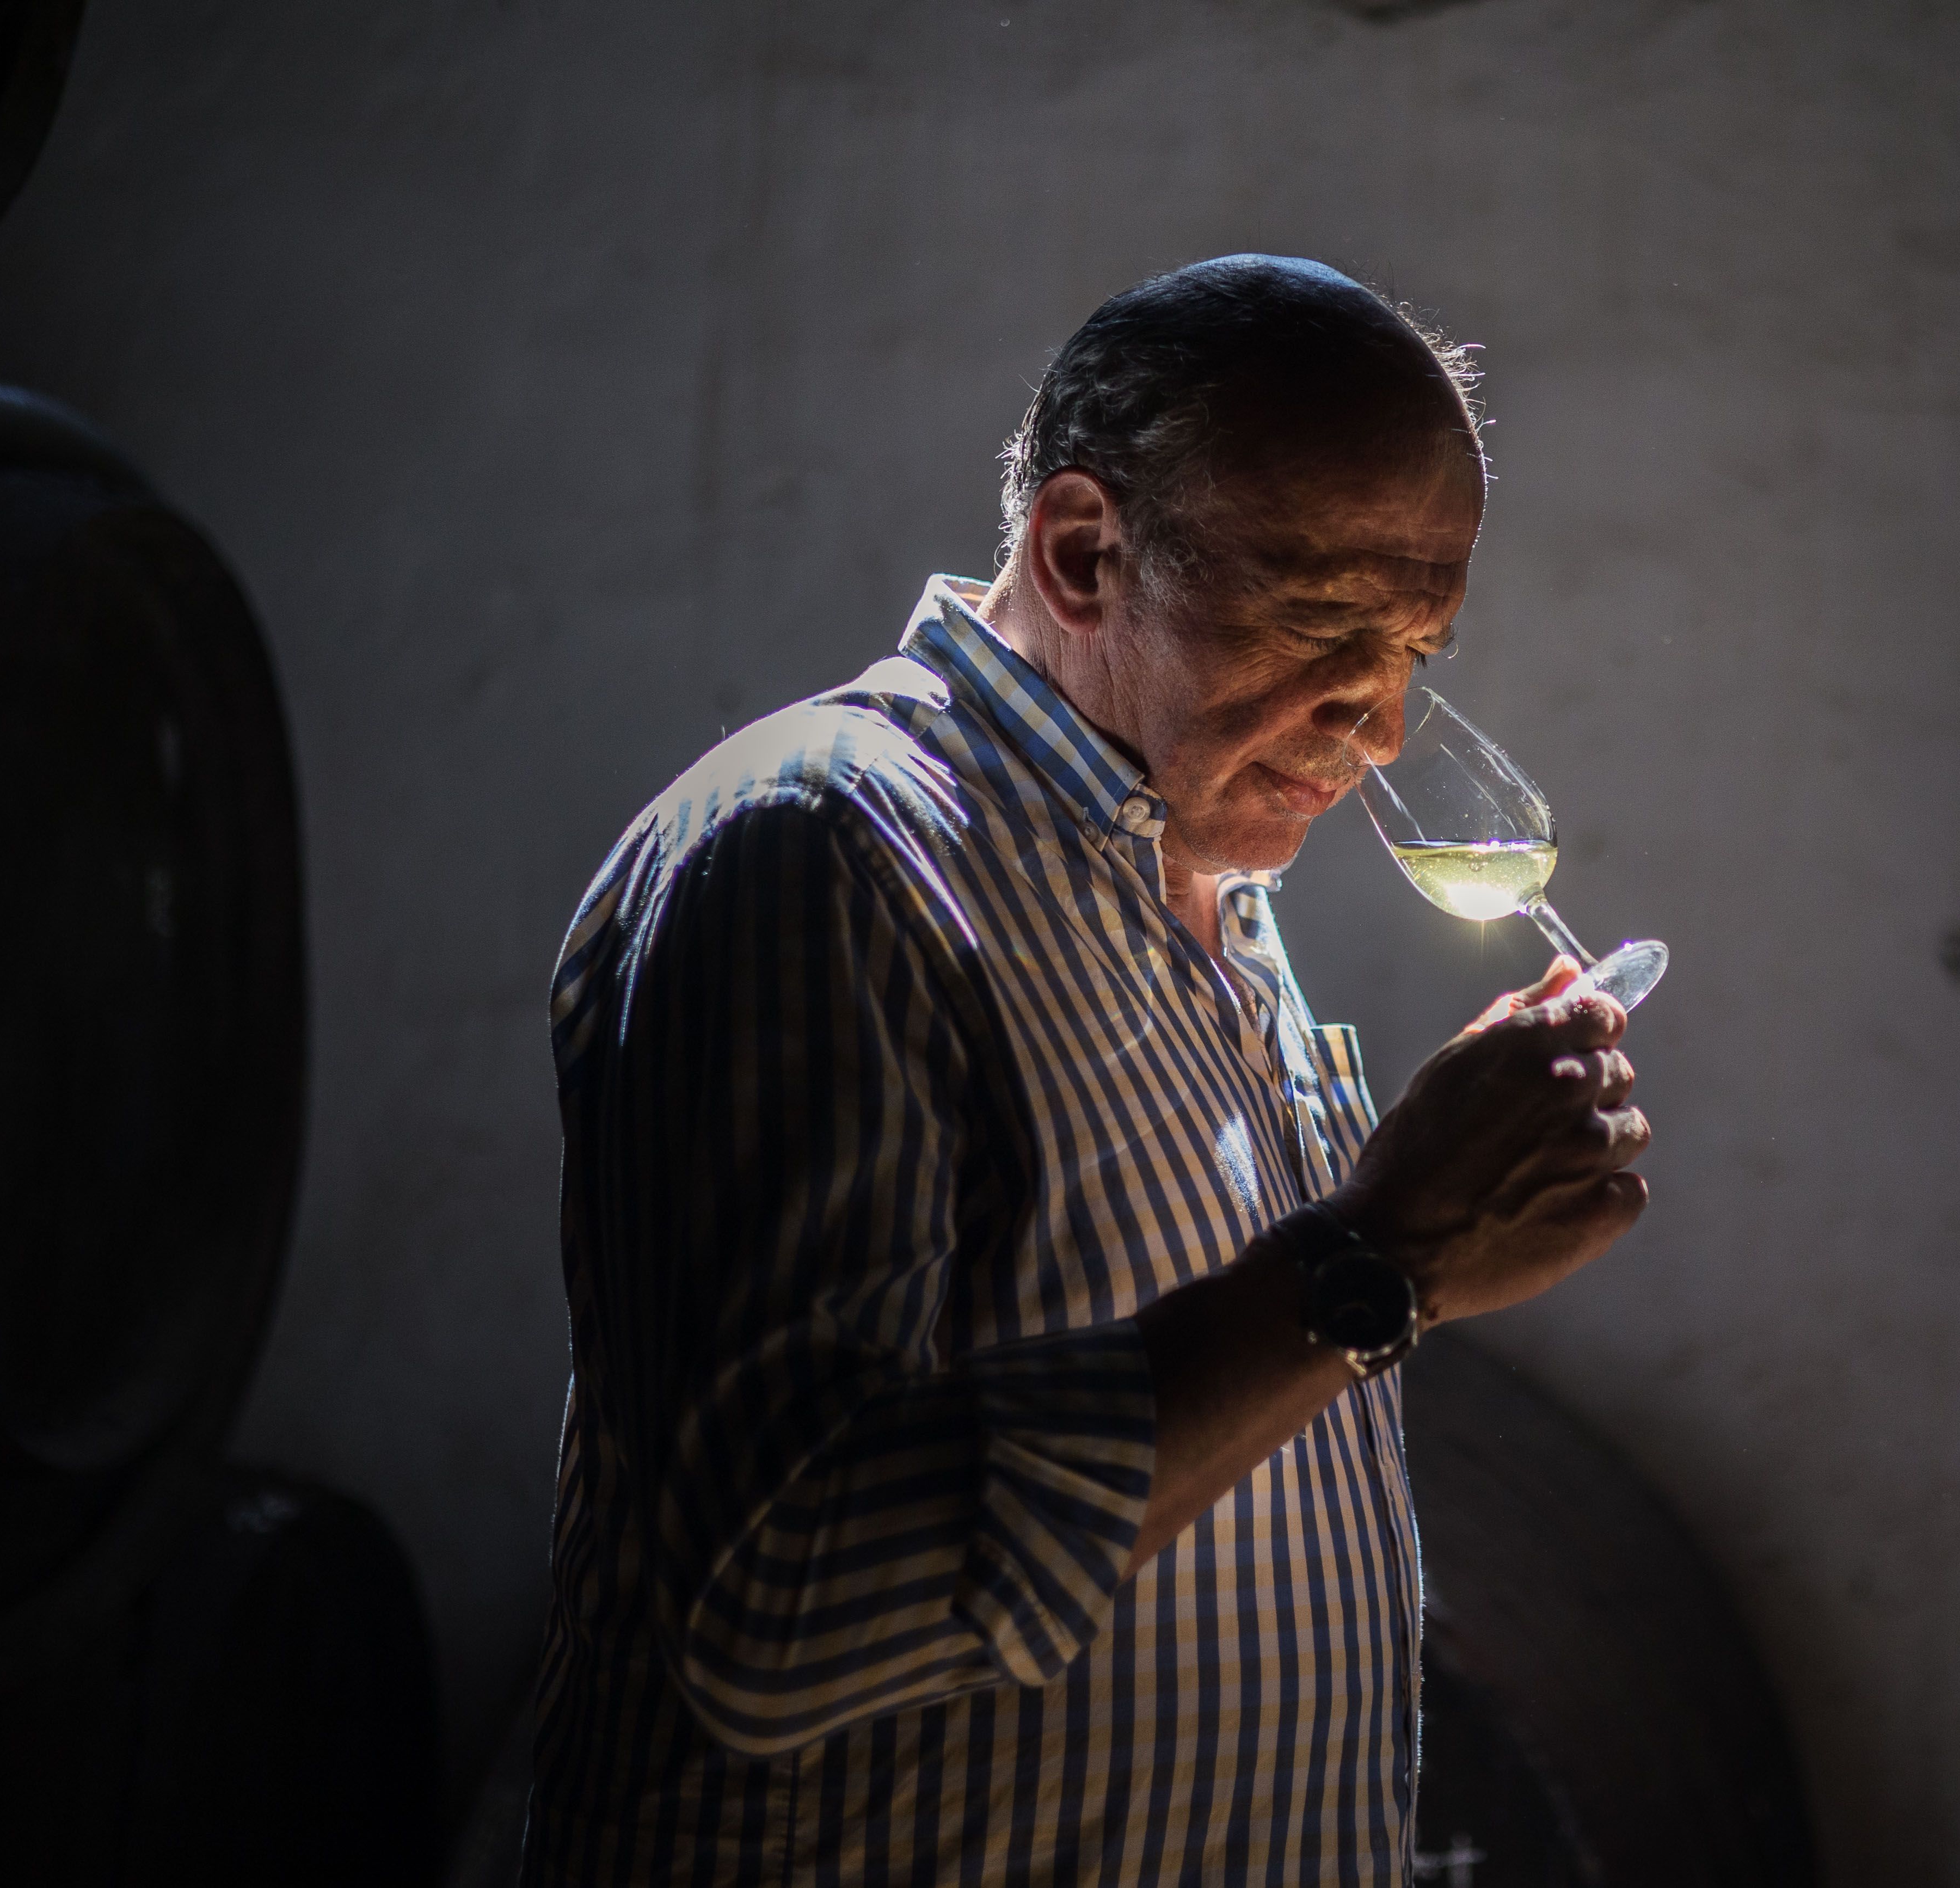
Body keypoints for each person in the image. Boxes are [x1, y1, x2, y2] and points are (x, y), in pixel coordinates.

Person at [523, 254, 1652, 1885]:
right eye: (1327, 621)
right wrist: (1380, 1256)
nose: (1386, 725)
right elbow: (774, 1608)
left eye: (1420, 648)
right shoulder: (820, 855)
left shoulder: (1196, 884)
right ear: (1081, 552)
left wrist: (1430, 1235)